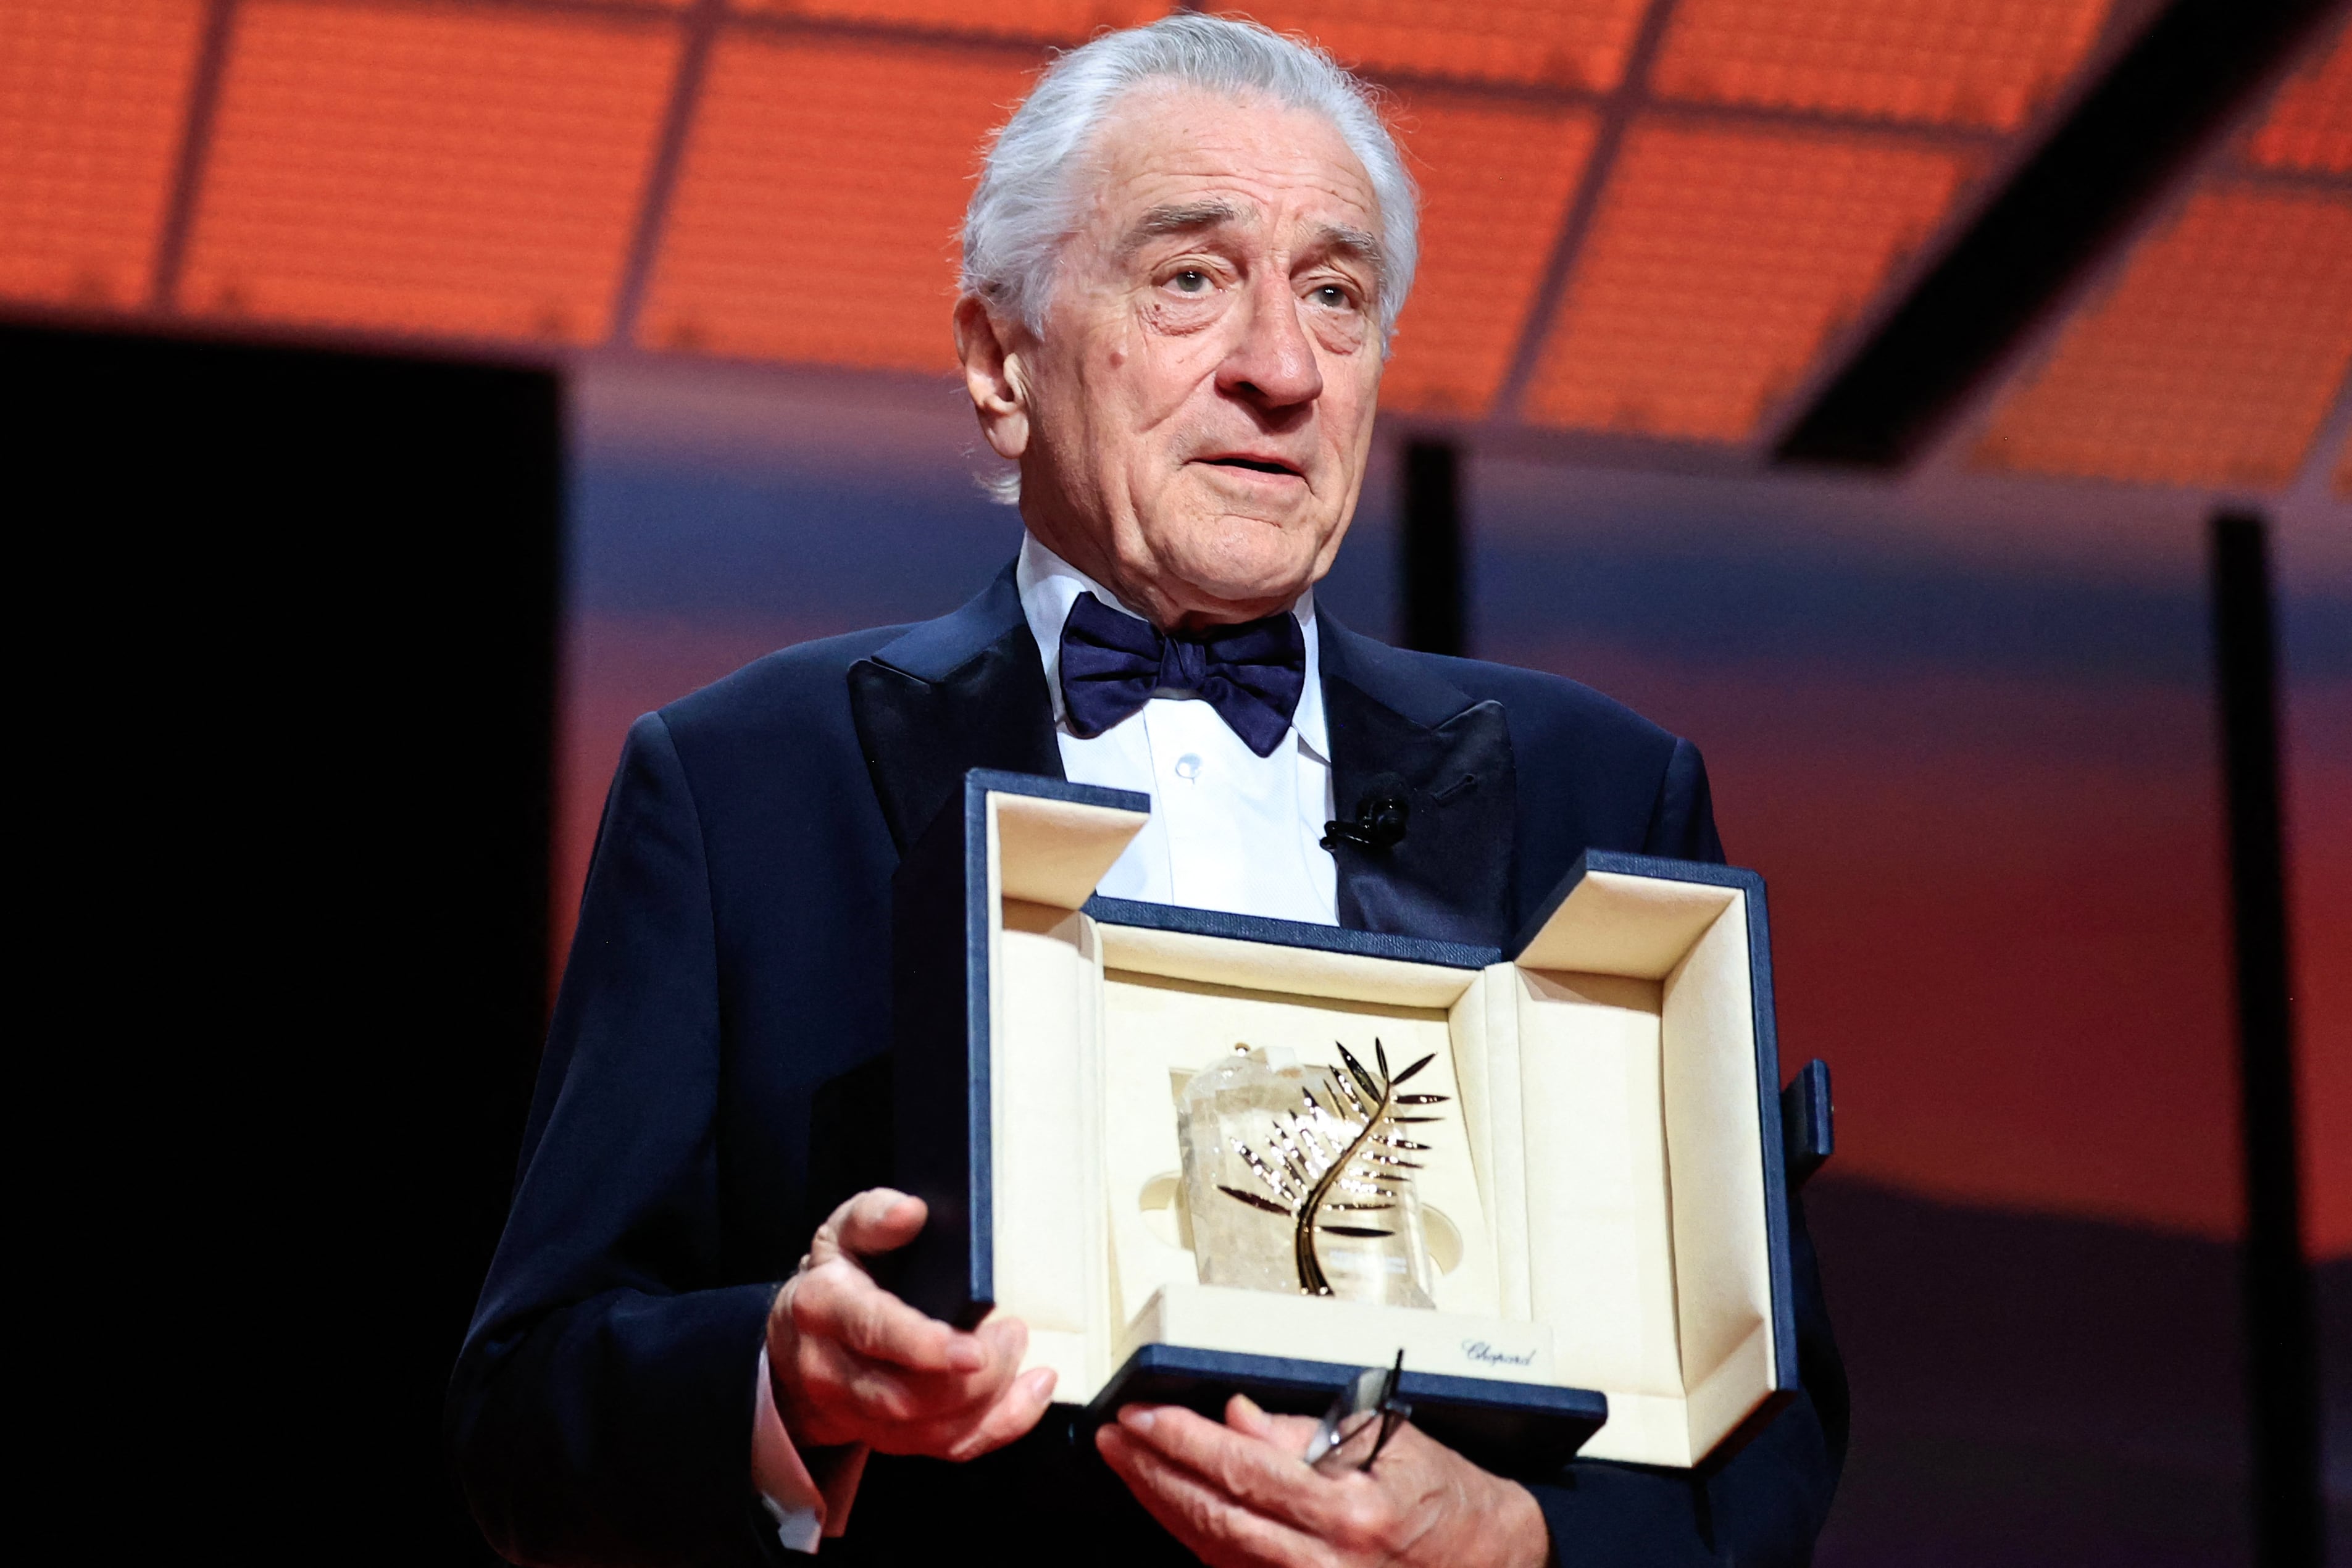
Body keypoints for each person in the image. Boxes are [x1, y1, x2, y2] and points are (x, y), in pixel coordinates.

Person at [450, 15, 1845, 1566]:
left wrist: (1519, 1541)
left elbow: (1763, 1429)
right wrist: (790, 1373)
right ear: (1001, 363)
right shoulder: (741, 788)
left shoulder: (1600, 792)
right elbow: (528, 1410)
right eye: (1192, 278)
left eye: (1336, 292)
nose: (1283, 369)